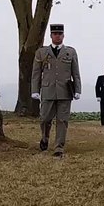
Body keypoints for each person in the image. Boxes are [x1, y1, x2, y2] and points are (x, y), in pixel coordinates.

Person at [30, 23, 81, 157]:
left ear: (63, 35)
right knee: (45, 118)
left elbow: (75, 73)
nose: (57, 36)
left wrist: (77, 89)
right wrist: (35, 90)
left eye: (59, 34)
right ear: (51, 35)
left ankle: (59, 146)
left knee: (62, 120)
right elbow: (36, 73)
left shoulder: (70, 52)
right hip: (48, 90)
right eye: (55, 34)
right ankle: (45, 137)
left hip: (65, 91)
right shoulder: (42, 52)